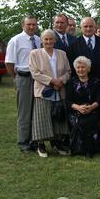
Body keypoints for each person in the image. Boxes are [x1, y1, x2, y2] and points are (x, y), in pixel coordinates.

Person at [29, 29, 71, 158]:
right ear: (41, 41)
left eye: (50, 39)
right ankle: (41, 145)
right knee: (42, 118)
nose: (48, 41)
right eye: (45, 39)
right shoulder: (35, 54)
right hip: (43, 91)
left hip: (59, 90)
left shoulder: (62, 54)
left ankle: (57, 143)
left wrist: (61, 81)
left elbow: (68, 71)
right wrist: (52, 81)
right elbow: (35, 73)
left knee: (58, 118)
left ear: (54, 40)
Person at [5, 15, 42, 153]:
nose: (32, 27)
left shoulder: (38, 40)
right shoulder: (15, 41)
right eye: (29, 24)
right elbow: (9, 62)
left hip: (37, 79)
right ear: (23, 25)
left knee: (35, 111)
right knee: (24, 112)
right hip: (24, 77)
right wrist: (16, 79)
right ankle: (23, 142)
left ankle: (33, 140)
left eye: (34, 24)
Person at [66, 56, 100, 158]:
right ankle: (78, 148)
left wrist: (91, 107)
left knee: (88, 121)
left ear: (88, 69)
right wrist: (78, 108)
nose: (80, 69)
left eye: (83, 67)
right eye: (78, 67)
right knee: (79, 122)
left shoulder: (95, 81)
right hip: (76, 111)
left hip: (93, 110)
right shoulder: (71, 82)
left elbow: (99, 99)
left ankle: (89, 150)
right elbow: (68, 101)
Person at [67, 17, 100, 83]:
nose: (88, 29)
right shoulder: (73, 45)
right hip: (82, 85)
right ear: (81, 28)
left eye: (91, 26)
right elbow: (72, 67)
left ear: (95, 27)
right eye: (85, 26)